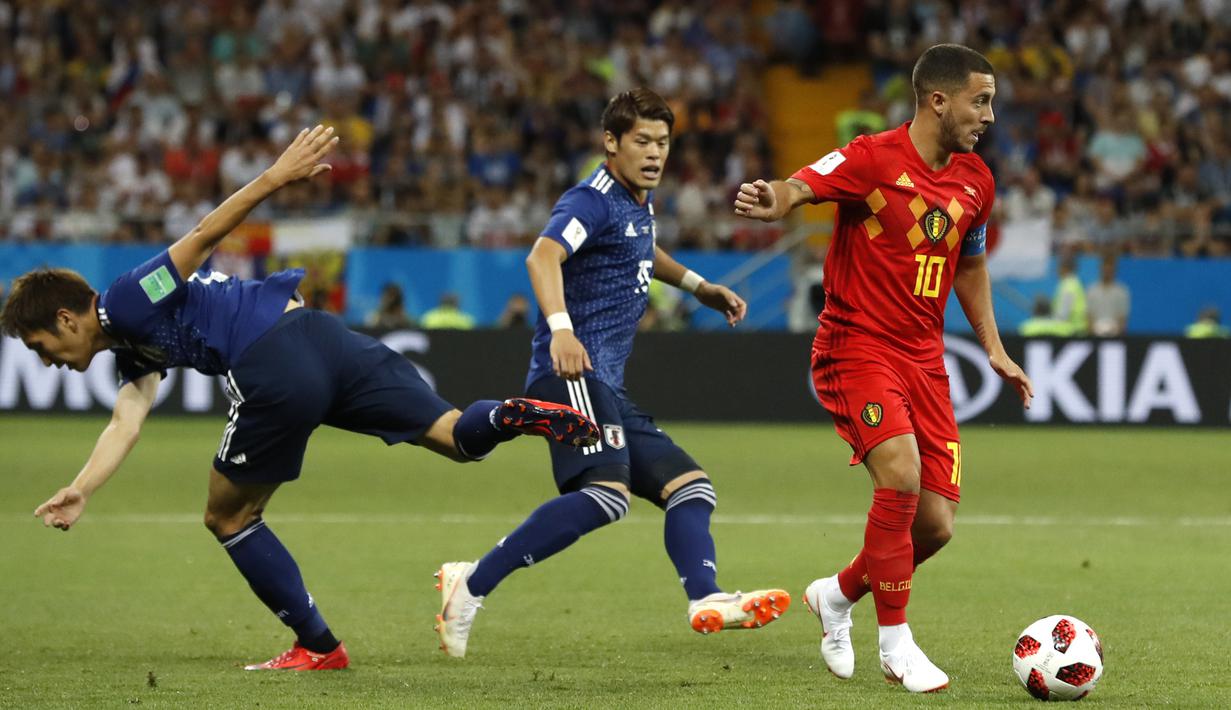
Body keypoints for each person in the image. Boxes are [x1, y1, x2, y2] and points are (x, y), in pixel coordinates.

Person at [0, 126, 599, 673]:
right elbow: (126, 419)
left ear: (65, 317)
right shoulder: (131, 345)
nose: (43, 358)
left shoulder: (127, 300)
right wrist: (84, 486)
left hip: (272, 359)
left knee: (227, 515)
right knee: (455, 437)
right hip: (324, 338)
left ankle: (318, 646)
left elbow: (203, 236)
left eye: (39, 343)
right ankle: (508, 413)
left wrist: (276, 176)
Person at [434, 88, 790, 659]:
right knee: (607, 497)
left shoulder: (635, 203)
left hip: (606, 385)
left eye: (663, 143)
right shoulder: (592, 199)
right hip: (571, 371)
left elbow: (644, 251)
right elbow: (542, 256)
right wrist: (561, 328)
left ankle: (706, 598)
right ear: (611, 143)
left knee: (690, 488)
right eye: (642, 142)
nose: (655, 153)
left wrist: (700, 288)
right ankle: (471, 584)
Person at [733, 45, 1034, 693]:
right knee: (898, 474)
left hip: (924, 360)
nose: (988, 114)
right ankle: (895, 644)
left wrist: (992, 346)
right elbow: (803, 185)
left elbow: (970, 264)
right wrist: (773, 198)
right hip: (855, 348)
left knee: (934, 526)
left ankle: (835, 596)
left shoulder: (975, 180)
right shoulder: (872, 158)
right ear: (937, 100)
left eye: (990, 101)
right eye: (979, 100)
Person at [1086, 254, 1130, 336]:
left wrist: (1114, 332)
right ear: (1100, 268)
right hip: (1094, 335)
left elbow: (1123, 318)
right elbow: (1089, 316)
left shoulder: (1122, 291)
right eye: (1105, 268)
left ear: (1114, 270)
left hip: (1115, 336)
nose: (1107, 272)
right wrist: (1095, 331)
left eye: (1110, 269)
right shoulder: (1091, 290)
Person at [1052, 251, 1088, 335]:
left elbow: (1063, 313)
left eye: (1059, 267)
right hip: (1078, 329)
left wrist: (1053, 325)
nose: (1057, 270)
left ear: (1065, 268)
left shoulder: (1068, 285)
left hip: (1071, 331)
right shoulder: (1075, 282)